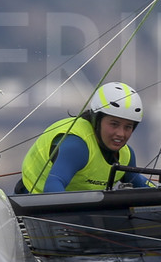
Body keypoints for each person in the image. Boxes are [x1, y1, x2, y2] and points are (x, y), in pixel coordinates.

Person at [19, 81, 152, 194]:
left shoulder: (126, 155)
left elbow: (141, 185)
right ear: (96, 120)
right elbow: (52, 186)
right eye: (114, 124)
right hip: (32, 202)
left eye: (128, 127)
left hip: (82, 211)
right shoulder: (77, 146)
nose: (121, 134)